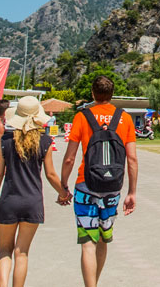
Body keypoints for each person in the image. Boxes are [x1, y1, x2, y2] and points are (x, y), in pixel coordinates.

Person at [61, 76, 138, 287]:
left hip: (85, 185)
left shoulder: (82, 117)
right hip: (113, 188)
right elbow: (131, 159)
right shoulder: (125, 119)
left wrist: (63, 185)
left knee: (87, 242)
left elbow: (69, 158)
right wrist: (132, 191)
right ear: (112, 94)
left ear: (93, 94)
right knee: (104, 239)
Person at [0, 96, 70, 287]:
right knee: (21, 252)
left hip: (9, 200)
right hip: (32, 202)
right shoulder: (45, 142)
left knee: (4, 250)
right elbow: (50, 174)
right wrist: (64, 193)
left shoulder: (5, 141)